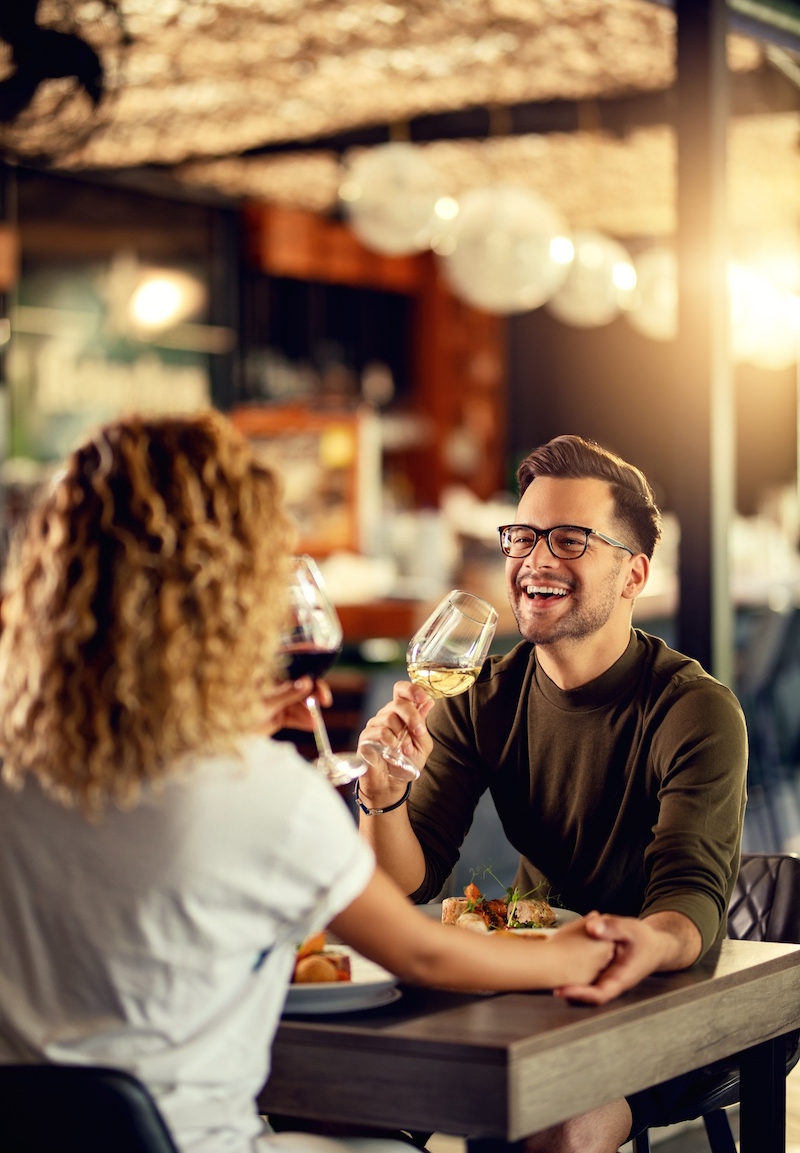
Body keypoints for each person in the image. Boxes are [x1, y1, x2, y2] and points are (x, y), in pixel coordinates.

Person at [0, 412, 614, 1153]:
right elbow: (419, 953)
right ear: (228, 588)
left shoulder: (17, 762)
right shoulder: (258, 791)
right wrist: (576, 950)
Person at [355, 433, 748, 1153]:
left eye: (569, 540)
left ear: (634, 575)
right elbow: (411, 877)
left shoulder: (693, 709)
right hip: (523, 987)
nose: (535, 559)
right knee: (345, 1094)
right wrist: (383, 799)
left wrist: (639, 940)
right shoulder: (482, 696)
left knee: (561, 1123)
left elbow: (689, 898)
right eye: (523, 536)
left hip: (662, 996)